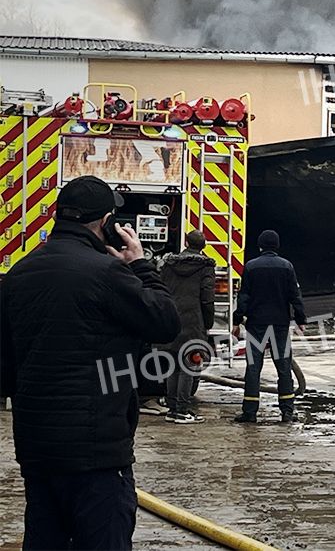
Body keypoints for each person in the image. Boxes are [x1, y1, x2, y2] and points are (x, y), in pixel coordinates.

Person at [0, 175, 180, 549]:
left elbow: (4, 372)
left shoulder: (18, 275)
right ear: (106, 222)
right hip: (96, 453)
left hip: (37, 451)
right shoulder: (107, 273)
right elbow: (165, 322)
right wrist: (141, 266)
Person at [232, 230, 306, 424]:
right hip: (280, 325)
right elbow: (294, 296)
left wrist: (237, 320)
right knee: (283, 368)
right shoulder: (287, 267)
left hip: (256, 325)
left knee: (253, 368)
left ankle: (250, 412)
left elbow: (244, 297)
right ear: (277, 246)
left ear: (260, 246)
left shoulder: (251, 267)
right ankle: (287, 412)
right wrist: (301, 319)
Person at [160, 230, 216, 424]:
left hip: (171, 319)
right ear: (204, 246)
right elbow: (207, 299)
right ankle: (182, 410)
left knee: (173, 365)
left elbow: (160, 289)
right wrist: (207, 323)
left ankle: (172, 408)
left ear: (185, 242)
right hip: (193, 321)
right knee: (189, 366)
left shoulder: (169, 264)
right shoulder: (205, 267)